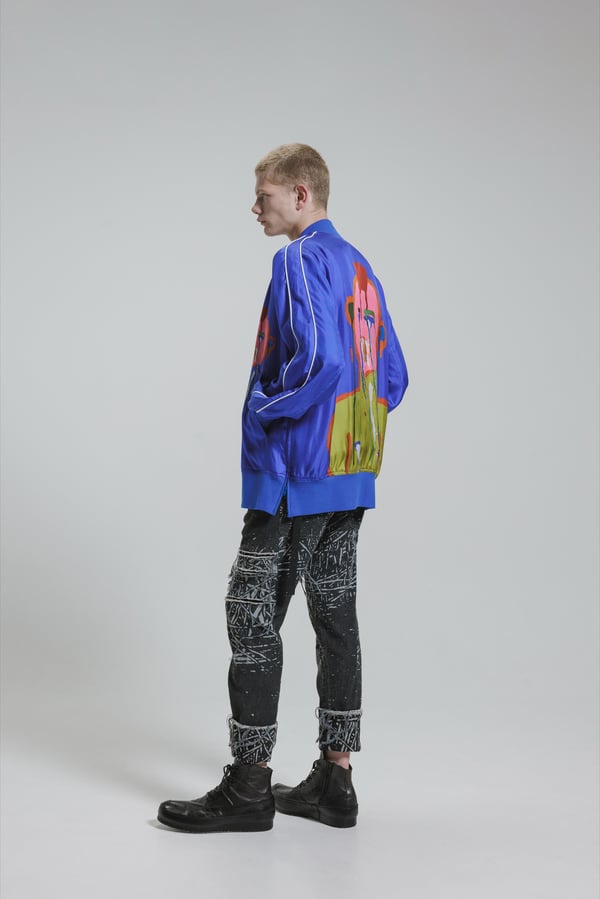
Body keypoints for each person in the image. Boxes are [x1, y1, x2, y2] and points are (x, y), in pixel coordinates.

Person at [157, 143, 408, 833]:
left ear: (301, 194)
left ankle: (249, 786)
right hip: (349, 476)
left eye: (264, 196)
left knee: (251, 614)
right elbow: (393, 377)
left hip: (295, 476)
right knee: (335, 617)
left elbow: (320, 361)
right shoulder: (360, 267)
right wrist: (350, 438)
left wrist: (267, 410)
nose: (254, 208)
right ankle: (336, 778)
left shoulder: (298, 258)